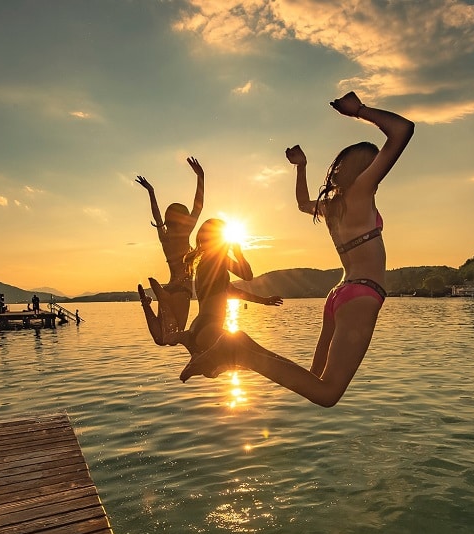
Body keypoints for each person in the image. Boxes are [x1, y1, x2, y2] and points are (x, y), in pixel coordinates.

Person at [181, 92, 415, 407]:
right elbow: (402, 130)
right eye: (375, 162)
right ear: (365, 170)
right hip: (362, 293)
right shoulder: (363, 190)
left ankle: (240, 346)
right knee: (327, 393)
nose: (380, 168)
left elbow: (303, 203)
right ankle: (235, 350)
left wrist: (301, 167)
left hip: (339, 294)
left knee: (312, 380)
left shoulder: (334, 206)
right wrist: (359, 110)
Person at [176, 218, 282, 356]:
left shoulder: (206, 263)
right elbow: (247, 275)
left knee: (255, 356)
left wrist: (264, 301)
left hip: (199, 327)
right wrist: (239, 254)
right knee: (265, 358)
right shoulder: (217, 258)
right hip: (210, 327)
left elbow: (233, 291)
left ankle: (199, 362)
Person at [135, 156, 204, 346]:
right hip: (182, 291)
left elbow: (156, 217)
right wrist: (201, 178)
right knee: (172, 339)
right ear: (183, 218)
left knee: (161, 339)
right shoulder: (184, 234)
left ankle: (148, 302)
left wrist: (151, 192)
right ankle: (160, 299)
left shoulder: (165, 238)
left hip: (170, 287)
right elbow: (198, 207)